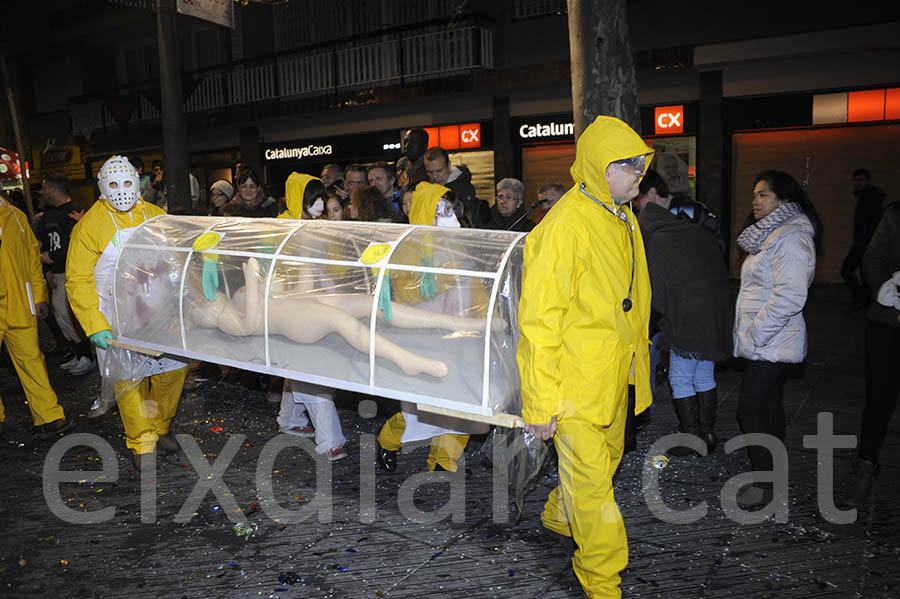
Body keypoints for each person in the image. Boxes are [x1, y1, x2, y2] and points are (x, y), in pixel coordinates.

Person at [517, 115, 654, 598]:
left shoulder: (620, 213)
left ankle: (558, 512)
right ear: (602, 167)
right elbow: (538, 319)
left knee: (607, 461)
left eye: (642, 164)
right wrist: (539, 401)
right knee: (594, 488)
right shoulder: (565, 225)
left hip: (613, 376)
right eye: (631, 165)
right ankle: (602, 580)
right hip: (575, 384)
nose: (640, 173)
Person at [66, 156, 189, 470]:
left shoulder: (156, 215)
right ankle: (142, 442)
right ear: (102, 189)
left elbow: (174, 259)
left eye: (127, 183)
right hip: (114, 316)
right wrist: (94, 324)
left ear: (139, 183)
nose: (121, 191)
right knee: (128, 381)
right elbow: (77, 279)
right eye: (113, 185)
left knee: (172, 371)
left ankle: (160, 425)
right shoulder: (89, 226)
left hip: (158, 312)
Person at [376, 181, 488, 475]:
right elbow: (408, 294)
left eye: (452, 210)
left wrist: (487, 315)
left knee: (464, 403)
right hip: (423, 341)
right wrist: (441, 278)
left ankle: (442, 459)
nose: (450, 219)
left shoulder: (460, 246)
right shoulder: (408, 250)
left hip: (462, 339)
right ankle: (388, 441)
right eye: (441, 212)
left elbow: (474, 287)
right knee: (419, 411)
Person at [733, 169, 820, 508]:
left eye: (763, 195)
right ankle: (773, 472)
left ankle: (764, 480)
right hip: (768, 341)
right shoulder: (770, 234)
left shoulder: (791, 238)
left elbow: (790, 297)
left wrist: (754, 334)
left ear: (783, 200)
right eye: (754, 194)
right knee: (768, 406)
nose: (755, 200)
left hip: (772, 340)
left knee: (750, 409)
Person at [636, 169, 732, 457]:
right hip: (712, 312)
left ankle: (693, 437)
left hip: (685, 317)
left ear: (652, 194)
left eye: (640, 196)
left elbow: (657, 286)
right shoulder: (690, 222)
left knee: (679, 376)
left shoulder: (655, 232)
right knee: (703, 374)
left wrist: (658, 317)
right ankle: (708, 432)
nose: (636, 203)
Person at [0, 192, 75, 439]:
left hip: (20, 302)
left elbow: (32, 257)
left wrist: (39, 294)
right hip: (14, 300)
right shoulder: (14, 216)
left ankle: (49, 416)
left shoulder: (16, 216)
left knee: (32, 359)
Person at [843, 201, 900, 506]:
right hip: (888, 321)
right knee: (879, 398)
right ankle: (865, 466)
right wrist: (890, 291)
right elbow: (873, 259)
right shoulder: (895, 214)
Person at [36, 174, 94, 375]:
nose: (41, 193)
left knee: (69, 314)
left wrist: (52, 257)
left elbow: (78, 244)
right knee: (61, 315)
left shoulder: (76, 210)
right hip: (58, 274)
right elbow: (46, 242)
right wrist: (49, 270)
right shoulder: (49, 216)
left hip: (72, 273)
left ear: (52, 189)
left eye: (44, 188)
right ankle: (78, 353)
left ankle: (86, 355)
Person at [841, 168, 886, 310]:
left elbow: (870, 222)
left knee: (849, 271)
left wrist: (864, 240)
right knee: (863, 274)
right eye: (856, 180)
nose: (857, 183)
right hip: (866, 242)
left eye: (860, 180)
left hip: (865, 242)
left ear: (867, 180)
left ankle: (862, 301)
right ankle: (863, 302)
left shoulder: (869, 197)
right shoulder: (867, 196)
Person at [423, 147, 485, 227]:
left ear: (448, 166)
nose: (435, 176)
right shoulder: (426, 189)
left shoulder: (464, 190)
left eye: (439, 171)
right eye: (430, 172)